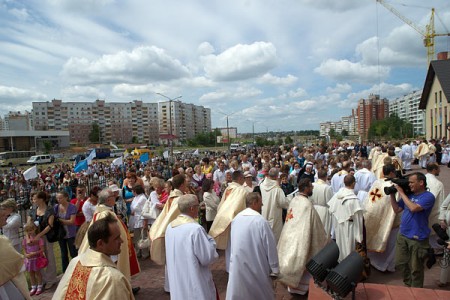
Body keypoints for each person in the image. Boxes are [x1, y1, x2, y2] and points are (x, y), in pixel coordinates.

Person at [53, 214, 134, 300]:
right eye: (117, 238)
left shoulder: (75, 261)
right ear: (100, 244)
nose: (121, 241)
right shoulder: (112, 278)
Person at [78, 188, 140, 289]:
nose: (115, 197)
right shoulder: (105, 214)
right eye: (112, 196)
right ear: (107, 200)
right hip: (110, 247)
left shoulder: (103, 211)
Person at [277, 178, 328, 295]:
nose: (312, 188)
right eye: (311, 186)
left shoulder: (294, 199)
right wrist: (324, 236)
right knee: (303, 259)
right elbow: (315, 225)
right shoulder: (307, 204)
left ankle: (292, 287)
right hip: (301, 238)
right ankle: (300, 289)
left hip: (290, 236)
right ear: (306, 188)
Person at [226, 192, 279, 300]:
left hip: (238, 263)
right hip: (257, 263)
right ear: (254, 203)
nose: (262, 205)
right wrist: (275, 267)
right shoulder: (261, 221)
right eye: (260, 203)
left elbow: (231, 243)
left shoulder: (236, 219)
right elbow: (270, 245)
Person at [165, 194, 218, 300]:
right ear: (192, 208)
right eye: (198, 206)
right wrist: (211, 241)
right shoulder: (195, 229)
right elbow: (207, 257)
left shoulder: (170, 227)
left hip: (178, 279)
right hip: (195, 279)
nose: (199, 208)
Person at [389, 172, 435, 288]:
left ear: (421, 182)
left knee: (416, 268)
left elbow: (414, 208)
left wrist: (401, 192)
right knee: (400, 263)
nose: (409, 185)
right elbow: (396, 209)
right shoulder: (409, 195)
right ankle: (408, 285)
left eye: (411, 182)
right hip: (403, 234)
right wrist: (392, 195)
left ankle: (416, 290)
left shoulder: (428, 196)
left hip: (417, 237)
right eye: (408, 182)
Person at [209, 171, 248, 272]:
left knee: (229, 245)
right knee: (236, 245)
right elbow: (239, 206)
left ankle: (229, 267)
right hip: (235, 220)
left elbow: (221, 205)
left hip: (225, 219)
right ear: (239, 178)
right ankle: (236, 268)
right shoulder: (240, 190)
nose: (244, 180)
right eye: (243, 178)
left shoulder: (228, 188)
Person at [364, 164, 400, 272]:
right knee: (390, 242)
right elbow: (396, 203)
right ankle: (385, 265)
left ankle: (373, 260)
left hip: (373, 214)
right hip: (389, 218)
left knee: (374, 236)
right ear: (392, 172)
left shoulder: (377, 182)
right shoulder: (394, 185)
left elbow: (370, 198)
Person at [149, 174, 186, 265]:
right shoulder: (178, 199)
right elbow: (171, 217)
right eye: (185, 183)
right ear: (181, 185)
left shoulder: (172, 196)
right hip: (177, 230)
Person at [329, 174, 364, 262]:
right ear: (353, 183)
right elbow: (359, 220)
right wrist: (359, 237)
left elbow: (332, 212)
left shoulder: (337, 195)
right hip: (350, 228)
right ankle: (347, 267)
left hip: (339, 226)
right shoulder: (354, 200)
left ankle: (341, 263)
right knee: (349, 249)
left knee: (340, 246)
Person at [27, 191, 58, 290]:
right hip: (35, 238)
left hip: (46, 237)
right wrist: (29, 237)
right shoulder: (32, 211)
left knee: (49, 256)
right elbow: (28, 224)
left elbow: (50, 225)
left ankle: (51, 279)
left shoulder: (50, 210)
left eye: (35, 198)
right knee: (37, 257)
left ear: (41, 199)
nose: (33, 200)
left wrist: (39, 235)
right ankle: (43, 279)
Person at [0, 208, 31, 300]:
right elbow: (12, 260)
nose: (6, 217)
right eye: (3, 215)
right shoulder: (1, 240)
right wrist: (23, 259)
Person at [260, 167, 290, 242]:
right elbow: (283, 203)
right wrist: (290, 198)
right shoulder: (277, 189)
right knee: (274, 240)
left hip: (264, 213)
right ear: (277, 177)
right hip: (274, 215)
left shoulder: (262, 185)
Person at [55, 190, 78, 272]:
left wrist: (59, 220)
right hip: (61, 234)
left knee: (73, 253)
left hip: (71, 234)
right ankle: (66, 271)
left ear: (66, 198)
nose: (59, 200)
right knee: (63, 254)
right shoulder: (56, 207)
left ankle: (76, 269)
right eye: (57, 198)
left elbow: (72, 221)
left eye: (60, 198)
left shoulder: (72, 207)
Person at [425, 162, 445, 252]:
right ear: (434, 170)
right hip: (433, 211)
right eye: (438, 168)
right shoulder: (438, 183)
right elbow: (441, 201)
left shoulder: (421, 178)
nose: (439, 170)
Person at [22, 221, 46, 296]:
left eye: (31, 230)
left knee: (38, 273)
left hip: (36, 259)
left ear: (35, 229)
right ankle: (33, 287)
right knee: (31, 273)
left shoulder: (39, 239)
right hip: (29, 260)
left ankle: (39, 286)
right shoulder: (25, 240)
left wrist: (34, 253)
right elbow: (24, 249)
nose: (30, 232)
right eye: (28, 231)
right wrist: (26, 254)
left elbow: (42, 250)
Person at [309, 169, 333, 237]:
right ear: (326, 177)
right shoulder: (327, 187)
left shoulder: (312, 184)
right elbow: (330, 202)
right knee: (324, 230)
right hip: (324, 210)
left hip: (313, 208)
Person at [130, 185, 148, 259]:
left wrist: (145, 221)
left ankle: (145, 253)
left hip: (141, 219)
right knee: (137, 237)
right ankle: (137, 252)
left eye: (133, 191)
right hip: (136, 219)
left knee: (143, 237)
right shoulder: (136, 198)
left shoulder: (143, 198)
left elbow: (145, 210)